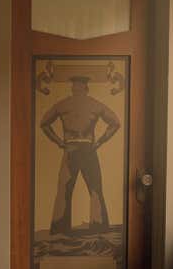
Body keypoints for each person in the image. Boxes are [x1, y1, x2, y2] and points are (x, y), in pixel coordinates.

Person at [39, 75, 120, 235]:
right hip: (75, 148)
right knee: (69, 189)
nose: (77, 89)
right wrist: (59, 142)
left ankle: (95, 227)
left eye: (79, 87)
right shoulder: (72, 104)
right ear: (76, 88)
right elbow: (44, 123)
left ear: (84, 88)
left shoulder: (83, 104)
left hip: (83, 148)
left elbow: (115, 122)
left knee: (92, 188)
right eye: (76, 87)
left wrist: (99, 141)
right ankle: (65, 228)